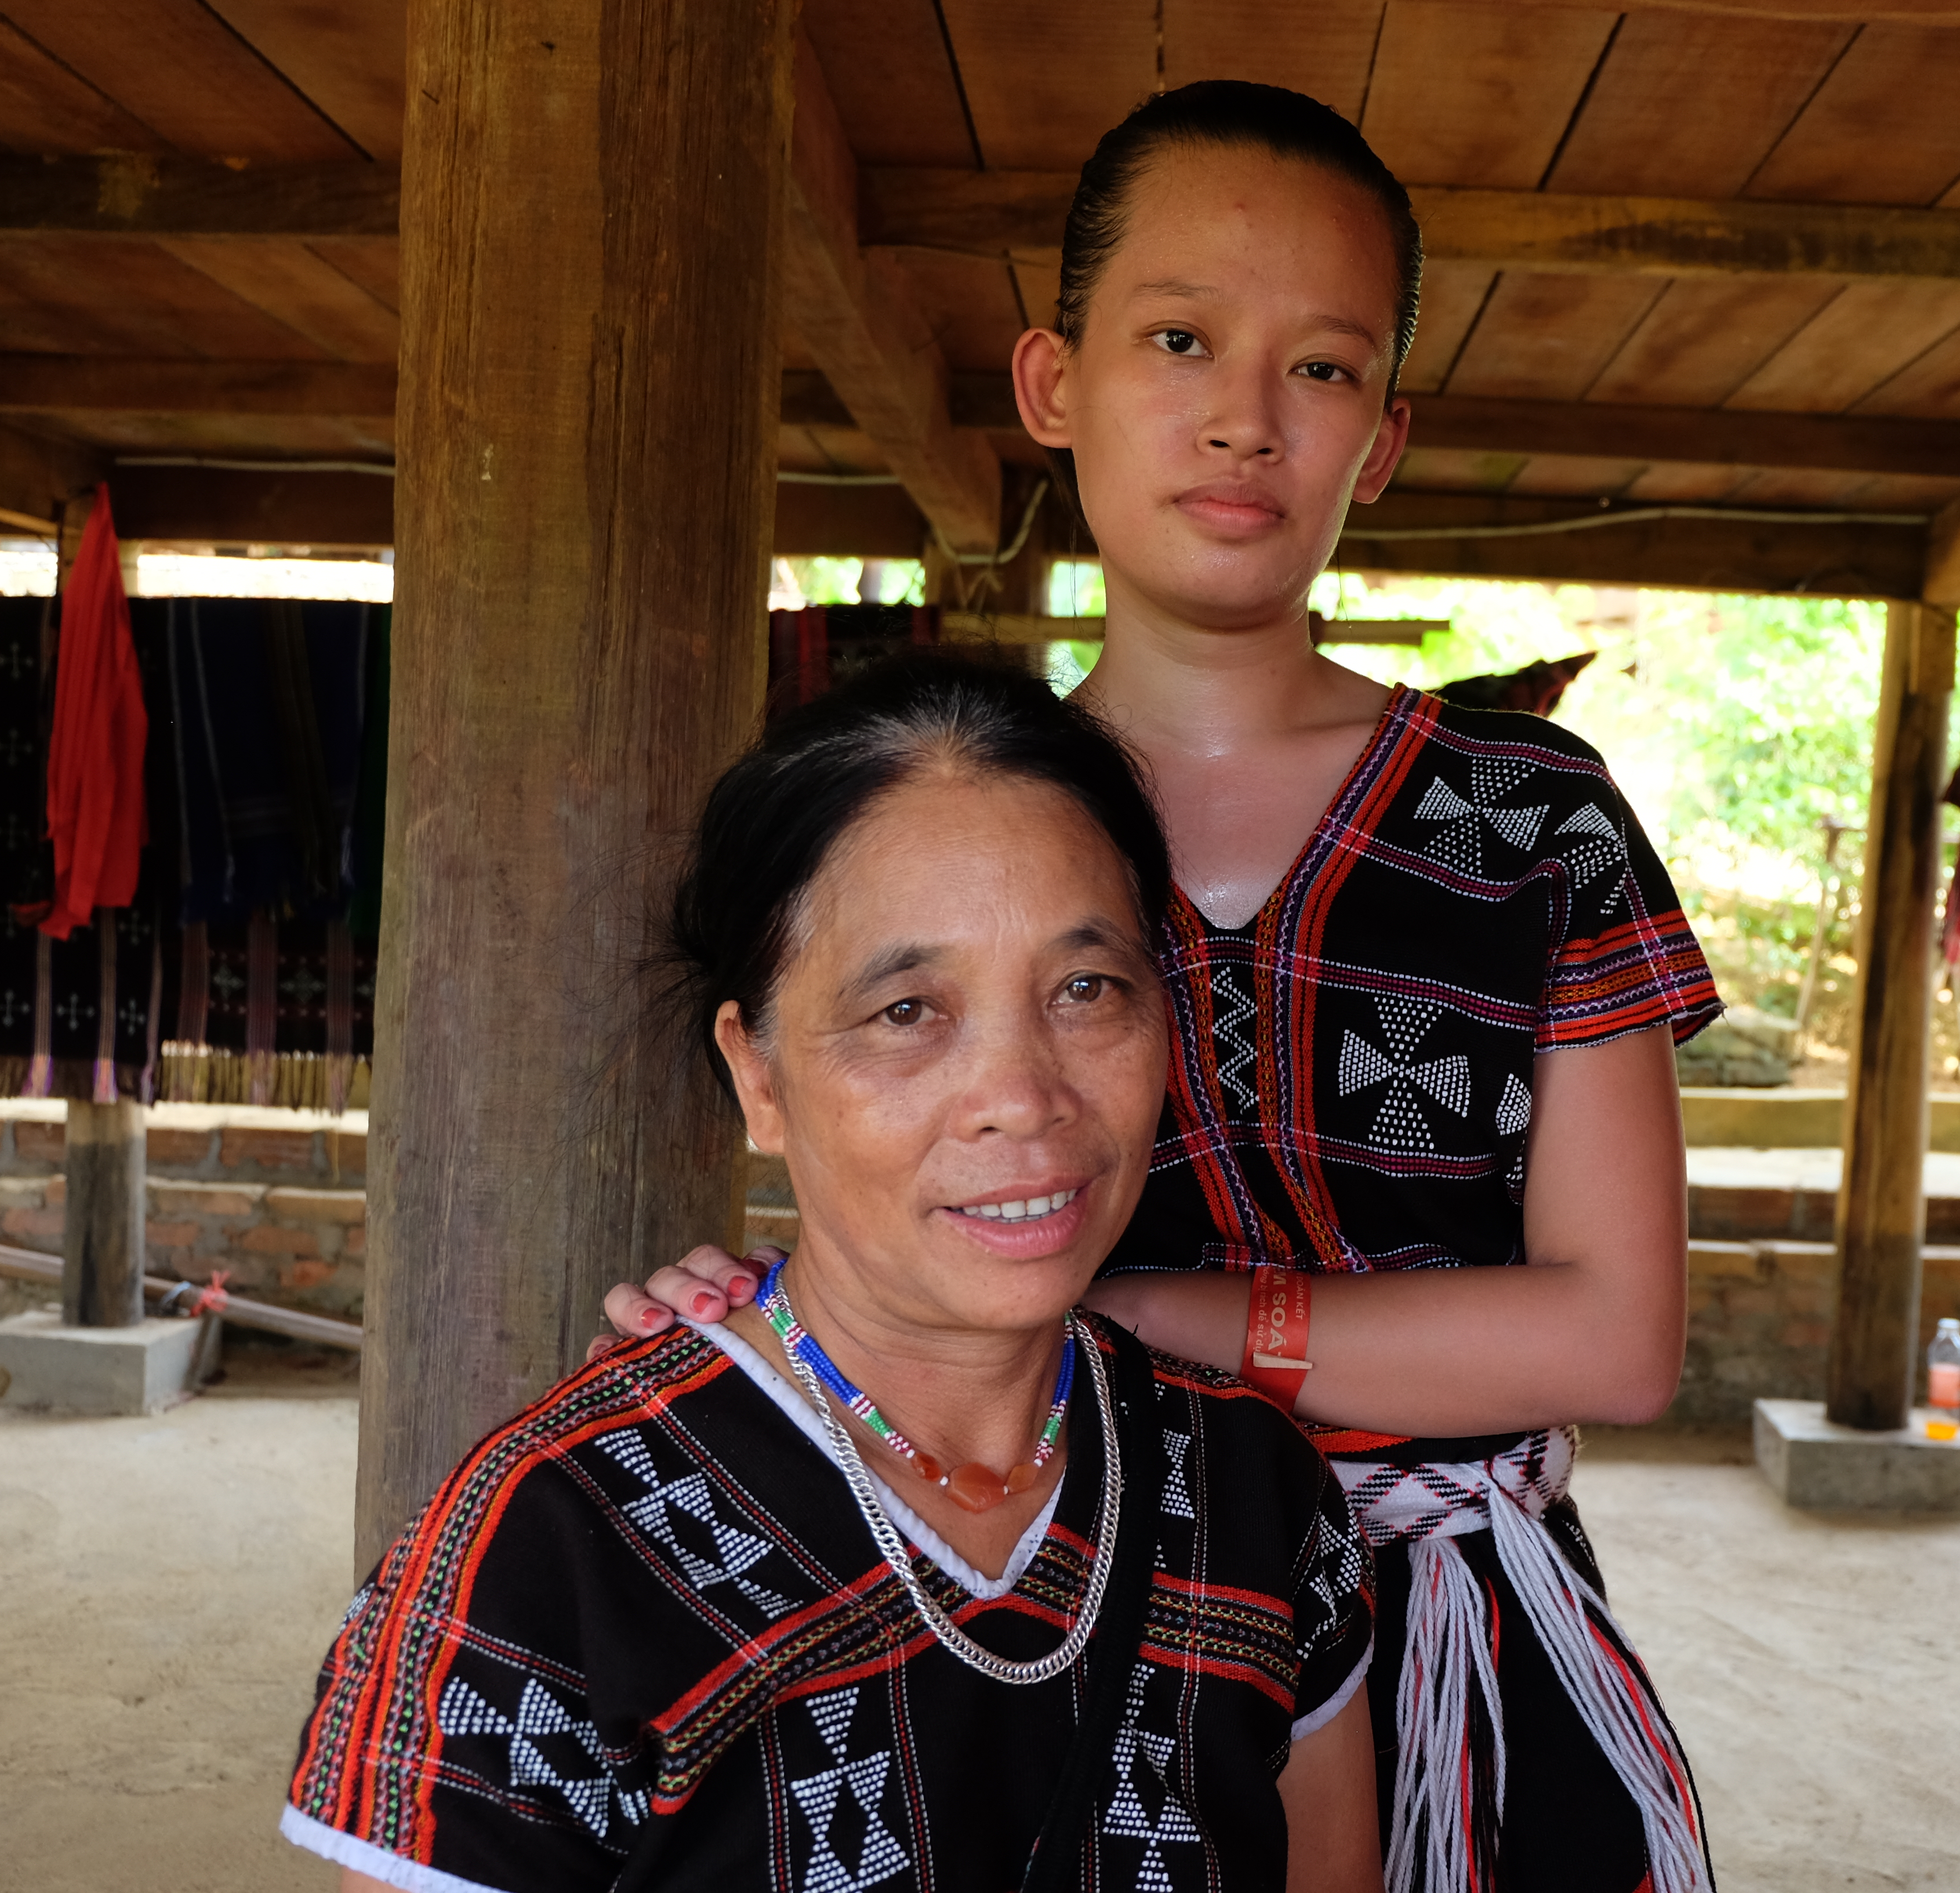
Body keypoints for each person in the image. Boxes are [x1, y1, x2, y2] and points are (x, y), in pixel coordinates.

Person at [615, 82, 1719, 1893]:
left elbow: (1617, 1333)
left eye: (1326, 368)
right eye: (1183, 338)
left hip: (1465, 1661)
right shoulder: (948, 814)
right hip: (1060, 1614)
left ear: (1388, 431)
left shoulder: (1532, 821)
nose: (1243, 419)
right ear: (1054, 383)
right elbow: (904, 1217)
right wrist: (766, 1318)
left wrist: (1158, 1317)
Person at [289, 658, 1382, 1893]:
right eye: (908, 1011)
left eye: (1087, 989)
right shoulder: (547, 1552)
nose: (1022, 1099)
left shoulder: (1256, 1497)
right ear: (757, 1075)